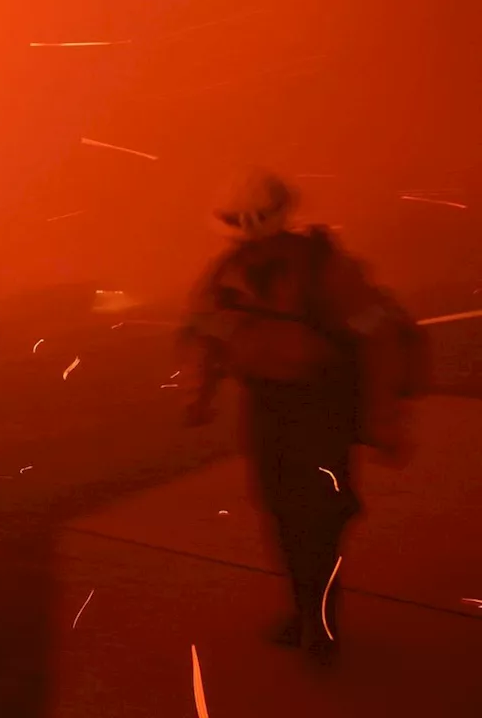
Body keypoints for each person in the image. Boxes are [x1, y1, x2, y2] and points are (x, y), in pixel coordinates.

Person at [178, 168, 415, 663]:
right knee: (281, 513)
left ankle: (319, 619)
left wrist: (384, 418)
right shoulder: (226, 275)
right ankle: (305, 611)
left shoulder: (325, 269)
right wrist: (200, 393)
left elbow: (378, 340)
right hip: (268, 408)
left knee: (321, 517)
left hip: (321, 406)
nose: (252, 241)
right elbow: (208, 334)